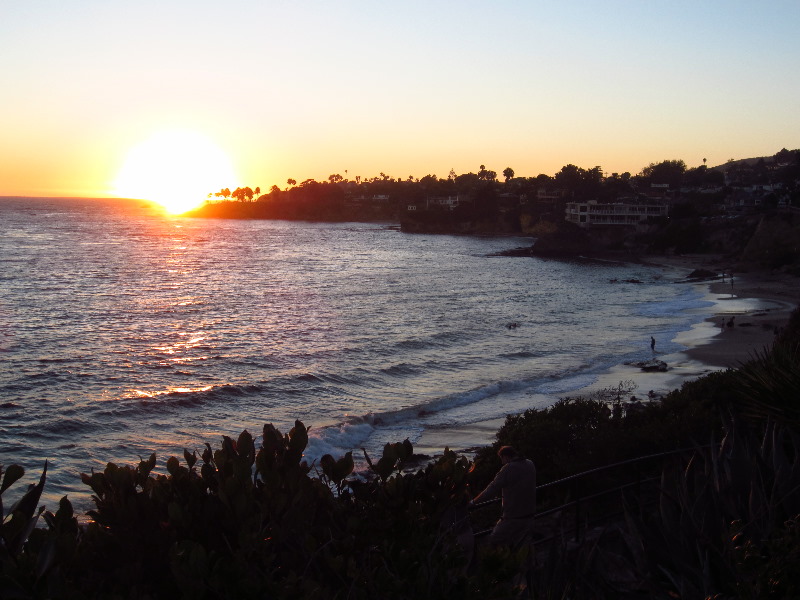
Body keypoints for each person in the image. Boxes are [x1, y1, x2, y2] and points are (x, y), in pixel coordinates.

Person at [469, 446, 537, 547]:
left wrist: (473, 502)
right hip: (530, 516)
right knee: (523, 549)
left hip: (513, 517)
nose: (502, 462)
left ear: (505, 456)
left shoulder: (508, 468)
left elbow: (491, 489)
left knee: (493, 541)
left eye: (502, 459)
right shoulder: (530, 463)